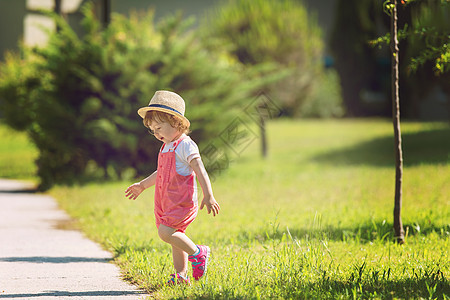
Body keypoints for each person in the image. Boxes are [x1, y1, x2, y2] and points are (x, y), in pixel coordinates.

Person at [125, 90, 220, 285]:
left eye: (159, 127)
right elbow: (161, 172)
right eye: (153, 130)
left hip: (182, 201)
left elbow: (200, 169)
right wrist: (143, 185)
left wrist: (208, 195)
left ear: (177, 123)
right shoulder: (167, 145)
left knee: (166, 233)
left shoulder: (186, 145)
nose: (156, 133)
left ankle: (198, 252)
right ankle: (181, 274)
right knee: (175, 237)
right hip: (166, 201)